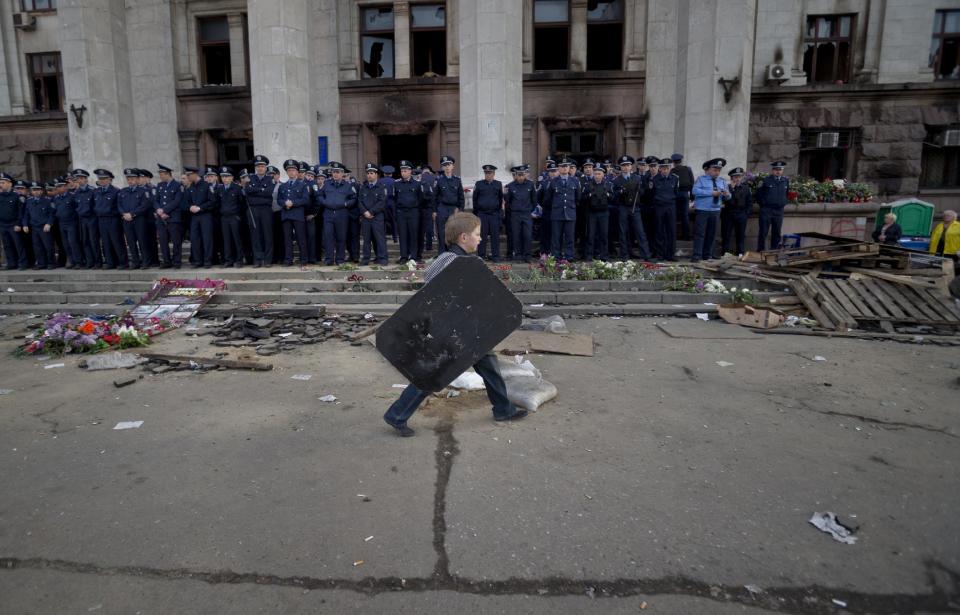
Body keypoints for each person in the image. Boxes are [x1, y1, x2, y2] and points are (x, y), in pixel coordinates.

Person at [382, 211, 529, 437]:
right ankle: (396, 415)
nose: (481, 239)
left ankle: (503, 409)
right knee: (433, 375)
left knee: (488, 368)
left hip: (464, 330)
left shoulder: (441, 259)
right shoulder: (464, 263)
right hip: (457, 333)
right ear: (463, 237)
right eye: (477, 234)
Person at [318, 161, 358, 266]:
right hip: (328, 214)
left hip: (342, 214)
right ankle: (329, 259)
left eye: (338, 172)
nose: (335, 174)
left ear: (342, 174)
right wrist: (325, 202)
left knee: (341, 237)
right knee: (328, 237)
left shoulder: (347, 186)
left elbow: (354, 198)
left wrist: (346, 204)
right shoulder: (326, 184)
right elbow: (319, 195)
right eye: (334, 172)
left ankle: (340, 259)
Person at [691, 158, 729, 262]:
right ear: (708, 169)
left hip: (715, 210)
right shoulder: (701, 179)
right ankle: (697, 256)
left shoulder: (722, 181)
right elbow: (694, 191)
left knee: (711, 234)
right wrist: (710, 193)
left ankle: (707, 255)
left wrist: (727, 194)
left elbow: (728, 197)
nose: (717, 172)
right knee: (700, 233)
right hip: (703, 210)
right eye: (714, 169)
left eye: (718, 170)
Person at [613, 155, 651, 260]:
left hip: (635, 208)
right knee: (623, 232)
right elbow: (614, 196)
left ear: (631, 167)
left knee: (640, 232)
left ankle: (646, 255)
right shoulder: (617, 180)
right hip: (623, 208)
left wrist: (640, 189)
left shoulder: (638, 178)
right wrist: (620, 192)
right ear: (621, 167)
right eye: (623, 165)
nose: (626, 167)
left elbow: (643, 193)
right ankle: (624, 255)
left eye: (628, 165)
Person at [243, 155, 275, 267]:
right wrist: (261, 189)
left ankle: (267, 260)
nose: (260, 168)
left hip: (266, 210)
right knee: (255, 235)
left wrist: (255, 191)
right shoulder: (249, 178)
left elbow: (268, 193)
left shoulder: (270, 179)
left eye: (262, 166)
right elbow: (248, 192)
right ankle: (257, 260)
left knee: (267, 235)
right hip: (253, 210)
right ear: (255, 167)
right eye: (258, 166)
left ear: (266, 167)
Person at [277, 159, 310, 267]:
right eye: (289, 170)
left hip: (297, 215)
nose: (291, 172)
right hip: (286, 215)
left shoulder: (302, 185)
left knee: (301, 238)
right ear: (286, 172)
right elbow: (279, 200)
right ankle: (288, 260)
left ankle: (303, 260)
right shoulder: (282, 186)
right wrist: (285, 203)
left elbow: (305, 199)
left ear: (297, 172)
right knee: (287, 239)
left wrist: (293, 203)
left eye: (293, 170)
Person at [546, 158, 581, 261]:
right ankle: (556, 256)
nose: (564, 168)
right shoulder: (553, 181)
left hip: (570, 212)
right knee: (556, 237)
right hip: (557, 213)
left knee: (570, 237)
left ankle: (569, 256)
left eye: (566, 166)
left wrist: (572, 207)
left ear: (569, 168)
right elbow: (548, 198)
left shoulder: (575, 181)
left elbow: (578, 198)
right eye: (562, 166)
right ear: (558, 168)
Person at [93, 169, 127, 269]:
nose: (102, 181)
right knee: (106, 242)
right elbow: (94, 205)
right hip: (101, 220)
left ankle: (123, 262)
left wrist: (109, 212)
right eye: (100, 179)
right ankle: (110, 262)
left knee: (117, 241)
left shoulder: (116, 191)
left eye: (104, 179)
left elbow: (119, 206)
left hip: (113, 219)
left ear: (110, 179)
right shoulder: (96, 191)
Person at [118, 168, 150, 269]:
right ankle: (135, 262)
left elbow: (144, 205)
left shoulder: (143, 191)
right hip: (126, 220)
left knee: (142, 241)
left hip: (138, 220)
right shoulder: (123, 191)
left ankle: (145, 261)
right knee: (131, 242)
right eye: (128, 179)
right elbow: (119, 205)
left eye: (132, 178)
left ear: (137, 179)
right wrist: (123, 213)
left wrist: (132, 214)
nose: (130, 181)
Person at [392, 160, 423, 263]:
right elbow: (395, 199)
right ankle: (404, 256)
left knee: (413, 235)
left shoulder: (417, 184)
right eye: (402, 170)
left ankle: (413, 256)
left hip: (413, 212)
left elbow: (420, 199)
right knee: (403, 235)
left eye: (405, 170)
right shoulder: (396, 184)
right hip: (401, 212)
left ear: (410, 171)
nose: (403, 172)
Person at [186, 166, 218, 268]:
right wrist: (190, 207)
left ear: (195, 174)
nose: (188, 177)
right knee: (195, 239)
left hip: (205, 215)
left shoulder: (206, 185)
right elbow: (186, 202)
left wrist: (200, 208)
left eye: (189, 175)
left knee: (207, 238)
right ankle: (197, 261)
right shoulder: (190, 187)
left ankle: (207, 261)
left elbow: (212, 202)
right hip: (194, 216)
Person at [357, 162, 388, 266]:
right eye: (368, 173)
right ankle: (366, 259)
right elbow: (359, 201)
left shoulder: (381, 187)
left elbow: (382, 202)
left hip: (377, 217)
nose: (369, 175)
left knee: (379, 239)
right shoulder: (363, 187)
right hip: (365, 217)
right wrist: (365, 212)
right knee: (366, 240)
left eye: (371, 173)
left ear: (376, 174)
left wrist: (371, 212)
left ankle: (382, 258)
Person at [154, 164, 184, 269]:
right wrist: (159, 210)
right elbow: (156, 200)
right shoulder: (160, 185)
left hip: (173, 217)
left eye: (162, 174)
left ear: (168, 174)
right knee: (163, 241)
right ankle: (166, 261)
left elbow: (177, 201)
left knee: (176, 241)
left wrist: (165, 210)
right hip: (161, 218)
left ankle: (176, 261)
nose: (161, 177)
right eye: (160, 174)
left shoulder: (177, 185)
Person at [505, 164, 536, 263]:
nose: (521, 177)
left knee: (527, 235)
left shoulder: (530, 185)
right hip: (515, 215)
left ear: (525, 174)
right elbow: (508, 201)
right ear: (516, 175)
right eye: (519, 175)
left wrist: (529, 210)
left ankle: (527, 255)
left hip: (527, 214)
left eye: (523, 174)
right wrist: (514, 209)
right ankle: (518, 255)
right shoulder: (511, 186)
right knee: (516, 235)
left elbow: (534, 200)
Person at [582, 166, 614, 261]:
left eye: (599, 173)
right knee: (591, 235)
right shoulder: (588, 184)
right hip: (592, 213)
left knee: (604, 235)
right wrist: (590, 194)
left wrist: (607, 194)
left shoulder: (608, 184)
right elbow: (582, 197)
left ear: (603, 174)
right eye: (595, 173)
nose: (597, 176)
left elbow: (613, 197)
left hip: (604, 213)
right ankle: (589, 256)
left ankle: (604, 255)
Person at [22, 181, 56, 269]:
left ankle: (51, 263)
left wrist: (49, 223)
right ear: (31, 191)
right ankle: (41, 263)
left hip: (44, 226)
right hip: (34, 227)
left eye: (38, 190)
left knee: (48, 246)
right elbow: (26, 214)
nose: (36, 192)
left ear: (42, 190)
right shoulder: (29, 201)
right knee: (37, 246)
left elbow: (52, 214)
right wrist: (25, 224)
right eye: (34, 190)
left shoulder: (48, 200)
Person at [472, 164, 504, 261]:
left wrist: (499, 213)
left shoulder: (498, 184)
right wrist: (477, 213)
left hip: (494, 214)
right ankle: (481, 255)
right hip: (482, 214)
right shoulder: (479, 184)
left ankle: (496, 256)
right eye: (486, 173)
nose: (488, 175)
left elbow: (500, 198)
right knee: (482, 236)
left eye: (490, 173)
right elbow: (475, 199)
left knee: (495, 236)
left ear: (494, 174)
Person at [650, 159, 679, 261]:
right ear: (660, 169)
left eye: (667, 168)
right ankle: (659, 254)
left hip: (671, 206)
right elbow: (652, 194)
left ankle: (670, 254)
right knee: (659, 231)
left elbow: (676, 193)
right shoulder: (654, 179)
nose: (665, 170)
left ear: (670, 168)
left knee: (671, 231)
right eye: (663, 168)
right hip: (659, 207)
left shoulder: (675, 179)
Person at [434, 155, 465, 253]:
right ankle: (442, 254)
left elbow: (461, 197)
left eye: (449, 165)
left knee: (453, 232)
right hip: (442, 208)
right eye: (445, 165)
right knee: (442, 232)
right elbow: (434, 197)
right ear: (442, 167)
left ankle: (453, 253)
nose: (447, 167)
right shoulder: (438, 180)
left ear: (453, 166)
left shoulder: (457, 180)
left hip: (453, 209)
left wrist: (460, 209)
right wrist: (434, 211)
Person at [757, 161, 789, 250]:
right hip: (767, 210)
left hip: (779, 210)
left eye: (780, 169)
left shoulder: (785, 181)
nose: (778, 171)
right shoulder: (766, 180)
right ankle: (761, 251)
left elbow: (786, 194)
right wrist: (764, 205)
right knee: (763, 232)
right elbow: (759, 195)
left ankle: (773, 251)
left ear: (782, 170)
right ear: (772, 170)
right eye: (776, 169)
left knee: (777, 232)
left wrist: (783, 202)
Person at [720, 167, 752, 256]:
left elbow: (749, 202)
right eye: (735, 177)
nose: (738, 179)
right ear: (731, 178)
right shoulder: (727, 188)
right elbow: (726, 201)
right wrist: (732, 189)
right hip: (728, 214)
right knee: (726, 234)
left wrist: (746, 213)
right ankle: (725, 252)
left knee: (740, 235)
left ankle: (740, 252)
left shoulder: (746, 188)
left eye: (739, 177)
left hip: (741, 214)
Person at [52, 176, 82, 268]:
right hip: (61, 223)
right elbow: (54, 210)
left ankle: (78, 261)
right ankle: (70, 260)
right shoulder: (56, 198)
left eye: (61, 186)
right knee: (65, 243)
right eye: (57, 187)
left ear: (65, 186)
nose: (59, 188)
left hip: (71, 222)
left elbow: (77, 209)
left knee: (73, 242)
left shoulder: (72, 196)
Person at [218, 167, 246, 267]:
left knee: (237, 239)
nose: (224, 179)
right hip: (224, 218)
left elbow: (242, 204)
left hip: (235, 217)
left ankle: (239, 260)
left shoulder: (237, 188)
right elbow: (218, 204)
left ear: (232, 177)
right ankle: (228, 260)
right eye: (223, 176)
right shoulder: (219, 188)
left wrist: (238, 216)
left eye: (227, 176)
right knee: (226, 240)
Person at [0, 172, 28, 270]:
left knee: (18, 245)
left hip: (13, 224)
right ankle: (11, 263)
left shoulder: (16, 196)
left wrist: (18, 224)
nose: (1, 185)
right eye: (0, 183)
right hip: (3, 224)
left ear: (10, 184)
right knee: (7, 245)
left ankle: (23, 263)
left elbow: (21, 212)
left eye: (3, 183)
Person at [670, 153, 694, 242]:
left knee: (674, 216)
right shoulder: (688, 169)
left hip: (675, 195)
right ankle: (686, 236)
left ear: (673, 162)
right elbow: (692, 183)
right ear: (681, 161)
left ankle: (674, 235)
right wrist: (692, 196)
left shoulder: (672, 171)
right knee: (685, 215)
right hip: (684, 194)